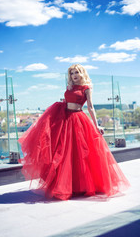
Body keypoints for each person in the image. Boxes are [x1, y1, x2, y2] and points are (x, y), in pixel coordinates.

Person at [18, 64, 130, 200]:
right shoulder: (69, 87)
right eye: (71, 73)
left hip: (77, 119)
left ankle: (82, 185)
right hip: (64, 118)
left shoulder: (86, 88)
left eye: (76, 72)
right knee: (63, 153)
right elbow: (67, 101)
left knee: (79, 154)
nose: (74, 75)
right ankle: (68, 185)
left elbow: (90, 107)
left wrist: (97, 125)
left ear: (82, 73)